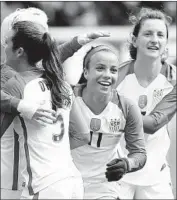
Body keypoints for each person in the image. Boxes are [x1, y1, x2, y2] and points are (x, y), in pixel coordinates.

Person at [0, 9, 109, 199]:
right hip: (69, 177)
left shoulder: (15, 81)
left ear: (19, 49)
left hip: (25, 182)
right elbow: (83, 135)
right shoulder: (59, 82)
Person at [69, 45, 147, 199]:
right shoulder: (67, 98)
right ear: (86, 72)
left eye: (113, 70)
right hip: (66, 184)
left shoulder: (127, 107)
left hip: (105, 189)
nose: (107, 75)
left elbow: (139, 153)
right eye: (100, 68)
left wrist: (127, 164)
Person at [115, 7, 176, 199]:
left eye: (160, 35)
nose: (154, 39)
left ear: (166, 42)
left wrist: (116, 114)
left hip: (155, 176)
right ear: (134, 40)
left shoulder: (174, 79)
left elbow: (153, 124)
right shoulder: (115, 76)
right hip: (116, 174)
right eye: (148, 33)